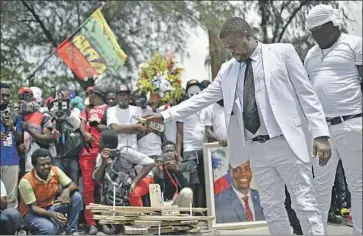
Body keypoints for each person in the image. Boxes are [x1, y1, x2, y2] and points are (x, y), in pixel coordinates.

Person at [145, 17, 331, 235]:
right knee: (271, 208)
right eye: (227, 48)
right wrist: (165, 115)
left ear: (248, 36)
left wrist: (321, 134)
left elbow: (306, 94)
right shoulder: (228, 69)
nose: (231, 52)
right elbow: (202, 99)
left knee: (304, 203)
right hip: (256, 149)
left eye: (233, 46)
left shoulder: (282, 53)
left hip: (286, 143)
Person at [304, 5, 362, 235]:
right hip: (321, 131)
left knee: (358, 186)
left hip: (353, 125)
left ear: (333, 25)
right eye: (312, 31)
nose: (316, 35)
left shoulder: (355, 44)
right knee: (319, 187)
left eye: (319, 30)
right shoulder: (310, 55)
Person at [107, 84, 154, 207]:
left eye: (126, 94)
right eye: (121, 95)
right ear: (117, 97)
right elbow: (114, 128)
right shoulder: (111, 110)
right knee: (118, 189)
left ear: (129, 96)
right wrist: (134, 127)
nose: (123, 97)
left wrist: (131, 128)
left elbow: (141, 130)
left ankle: (141, 216)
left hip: (134, 152)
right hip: (118, 153)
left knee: (136, 188)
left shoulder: (136, 109)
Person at [18, 148, 82, 235]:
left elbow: (73, 185)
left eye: (49, 163)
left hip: (52, 204)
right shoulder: (26, 181)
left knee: (76, 197)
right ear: (34, 165)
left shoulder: (55, 170)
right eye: (42, 164)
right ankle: (33, 230)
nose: (46, 167)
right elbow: (34, 208)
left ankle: (71, 231)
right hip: (31, 213)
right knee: (50, 229)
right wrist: (52, 215)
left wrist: (66, 190)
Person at [176, 79, 211, 208]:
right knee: (191, 183)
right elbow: (179, 132)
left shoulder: (207, 105)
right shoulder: (183, 107)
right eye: (191, 90)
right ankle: (193, 210)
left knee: (204, 181)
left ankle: (202, 209)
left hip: (206, 149)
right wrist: (178, 153)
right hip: (189, 150)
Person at [79, 85, 108, 235]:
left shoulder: (108, 109)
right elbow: (81, 126)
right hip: (87, 153)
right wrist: (84, 133)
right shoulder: (87, 109)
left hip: (103, 153)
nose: (88, 96)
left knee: (103, 189)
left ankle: (104, 221)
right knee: (88, 189)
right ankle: (91, 223)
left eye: (90, 94)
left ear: (96, 95)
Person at [0, 82, 24, 208]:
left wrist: (12, 128)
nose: (5, 99)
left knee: (11, 199)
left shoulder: (15, 115)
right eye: (2, 95)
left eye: (7, 96)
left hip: (11, 160)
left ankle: (11, 227)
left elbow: (20, 139)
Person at [153, 141, 193, 207]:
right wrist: (160, 175)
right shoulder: (158, 168)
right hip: (163, 203)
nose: (169, 153)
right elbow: (157, 192)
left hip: (178, 201)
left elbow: (186, 185)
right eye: (166, 151)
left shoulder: (183, 166)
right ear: (162, 154)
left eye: (171, 151)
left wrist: (177, 170)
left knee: (187, 192)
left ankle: (185, 215)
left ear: (176, 153)